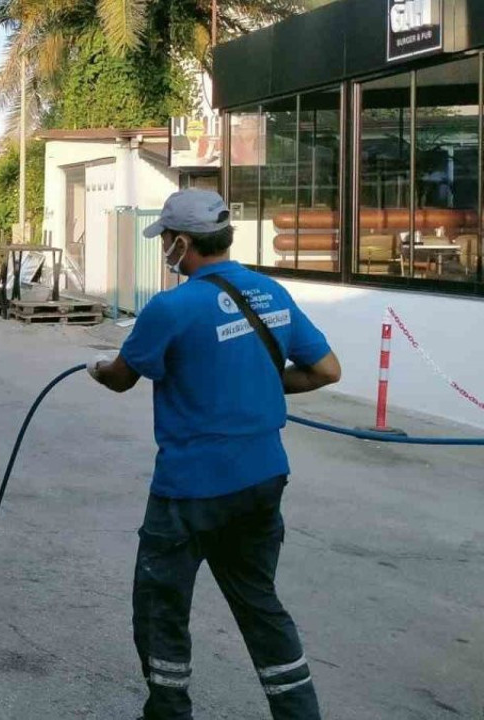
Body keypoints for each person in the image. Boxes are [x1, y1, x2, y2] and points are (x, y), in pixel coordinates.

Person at [88, 189, 342, 720]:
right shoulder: (271, 292)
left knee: (161, 604)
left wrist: (95, 367)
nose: (166, 253)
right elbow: (326, 370)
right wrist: (262, 387)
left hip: (191, 488)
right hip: (263, 477)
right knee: (258, 601)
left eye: (167, 243)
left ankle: (169, 711)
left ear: (183, 243)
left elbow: (120, 378)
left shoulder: (171, 307)